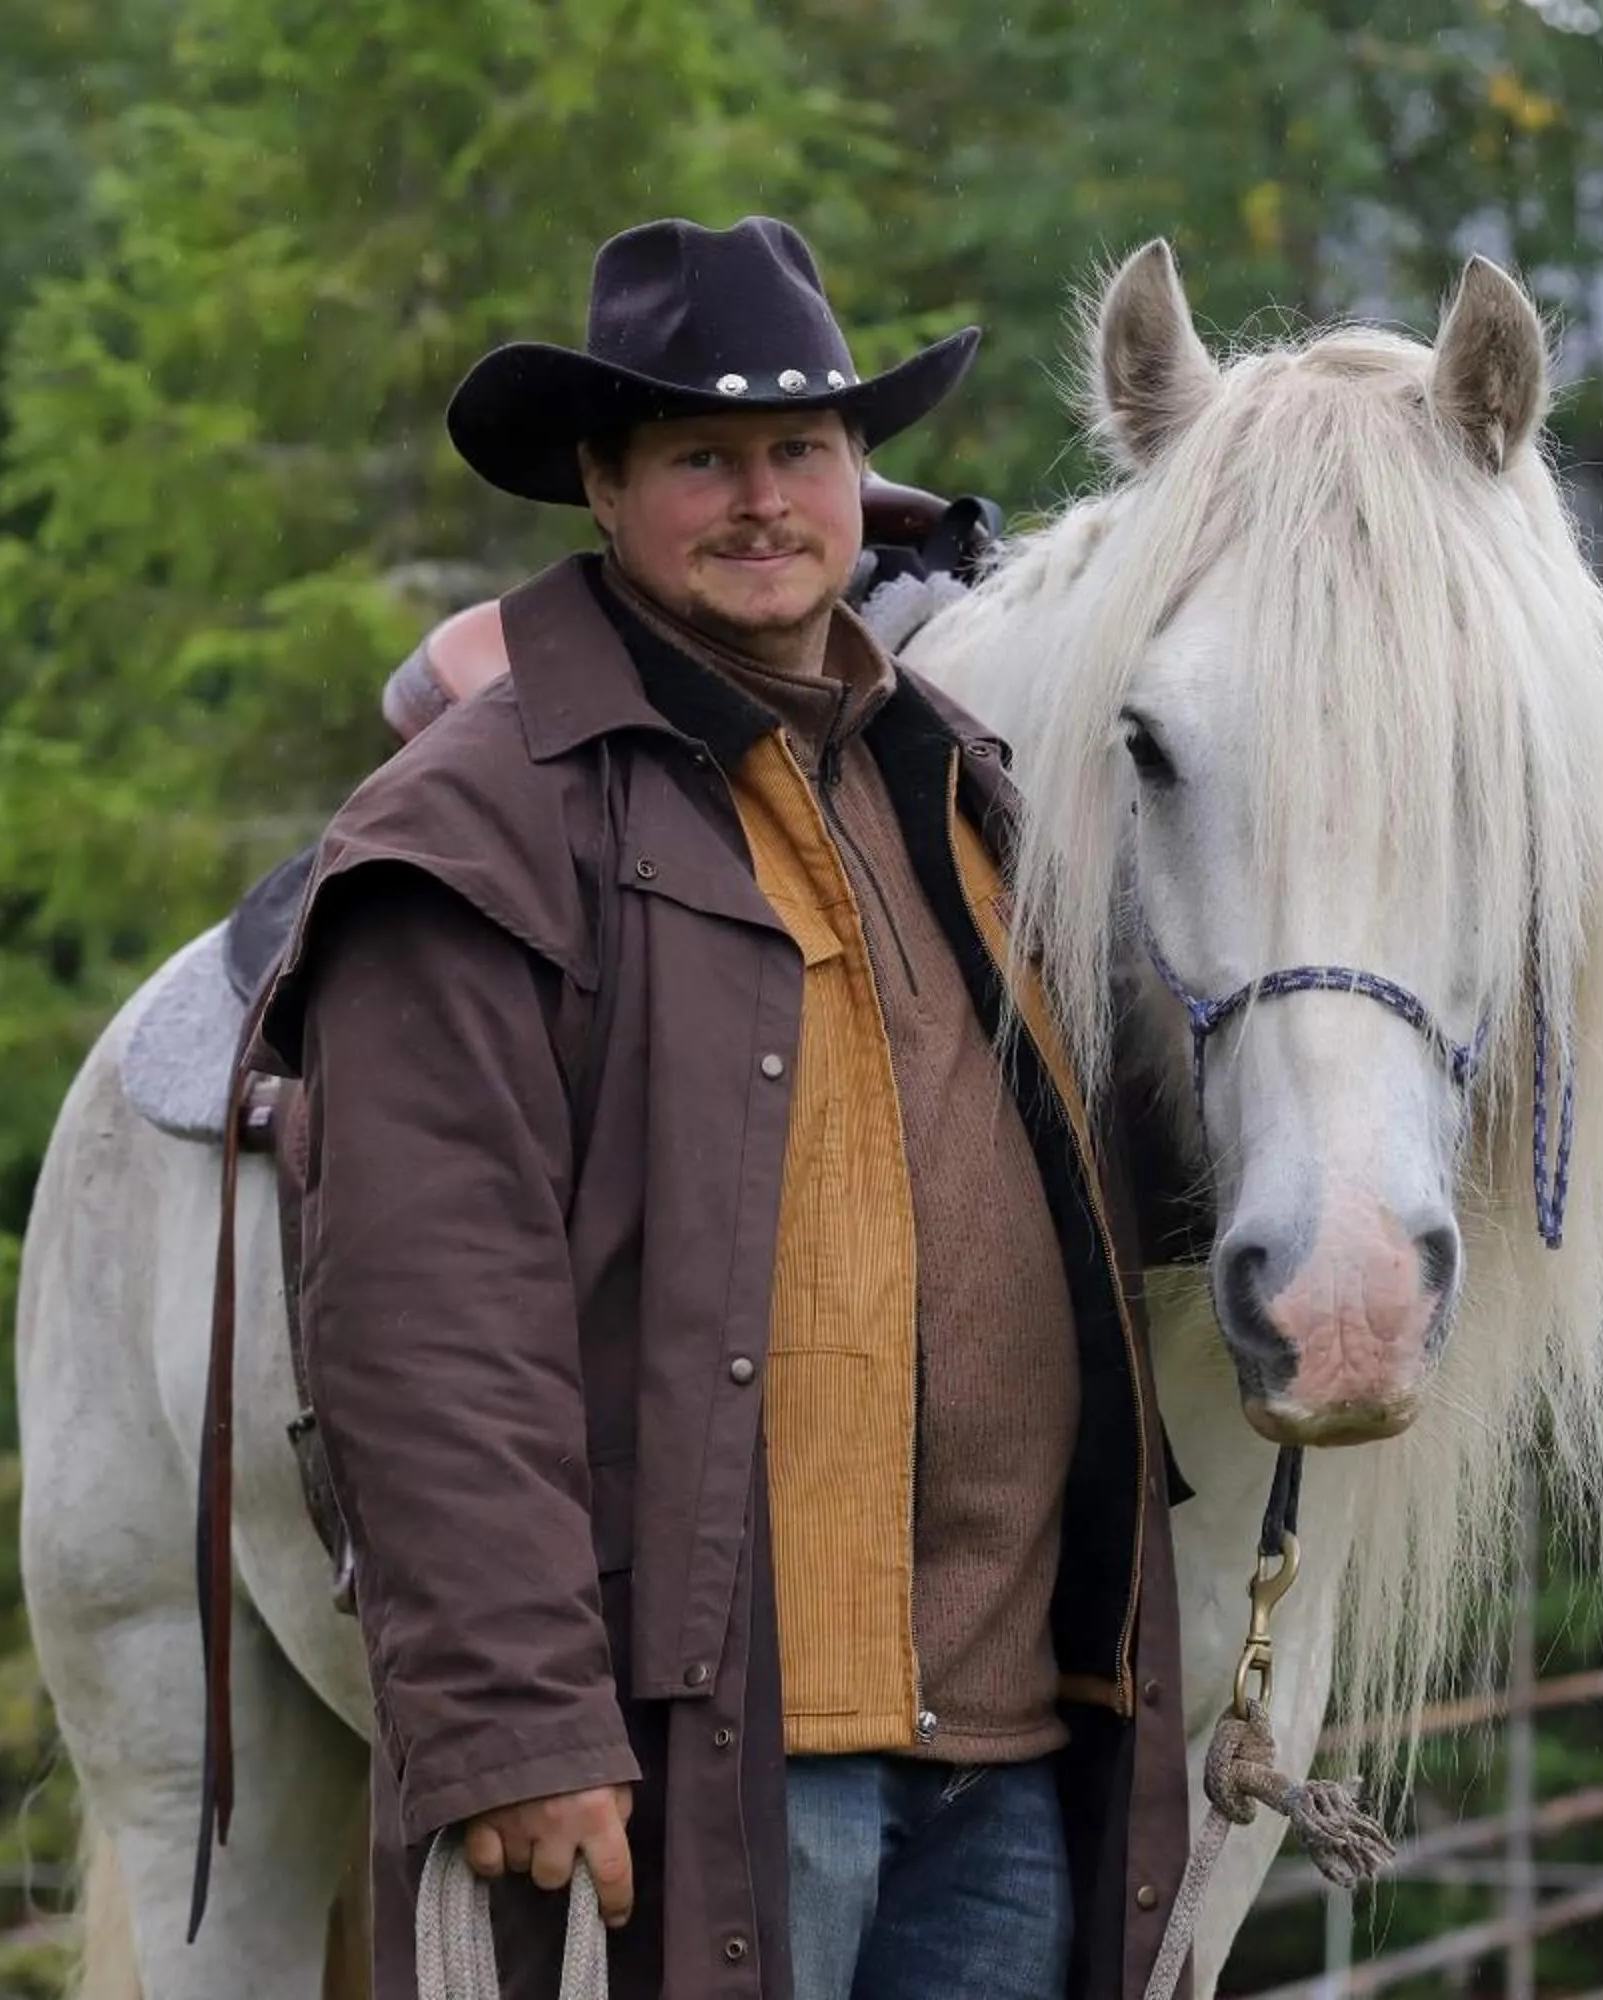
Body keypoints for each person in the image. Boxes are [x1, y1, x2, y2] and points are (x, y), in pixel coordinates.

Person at [238, 215, 1194, 2000]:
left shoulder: (962, 793)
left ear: (860, 480)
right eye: (704, 458)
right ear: (602, 486)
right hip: (712, 1754)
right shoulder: (477, 829)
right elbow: (424, 1319)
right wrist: (518, 1714)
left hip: (1005, 1744)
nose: (765, 500)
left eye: (802, 452)